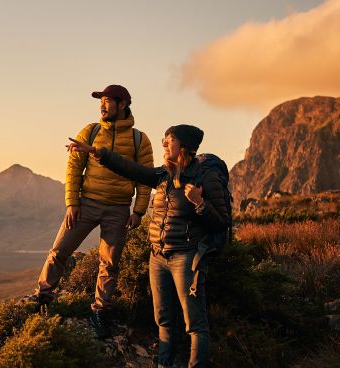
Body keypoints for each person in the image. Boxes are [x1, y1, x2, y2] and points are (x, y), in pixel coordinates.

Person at [68, 124, 229, 368]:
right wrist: (96, 152)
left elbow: (222, 222)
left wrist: (199, 203)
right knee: (163, 319)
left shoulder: (204, 178)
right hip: (158, 257)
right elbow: (130, 169)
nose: (164, 144)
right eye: (164, 140)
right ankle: (165, 364)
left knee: (194, 324)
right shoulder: (164, 174)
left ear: (184, 146)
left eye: (169, 140)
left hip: (186, 258)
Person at [32, 84, 154, 339]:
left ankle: (101, 310)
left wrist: (138, 211)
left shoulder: (139, 140)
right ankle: (43, 297)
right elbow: (74, 168)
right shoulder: (90, 131)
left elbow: (146, 178)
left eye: (108, 100)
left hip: (119, 209)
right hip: (86, 203)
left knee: (109, 264)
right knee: (59, 251)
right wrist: (72, 203)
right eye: (101, 100)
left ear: (123, 105)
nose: (102, 105)